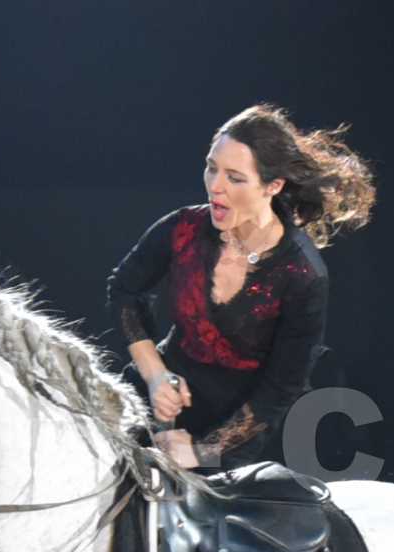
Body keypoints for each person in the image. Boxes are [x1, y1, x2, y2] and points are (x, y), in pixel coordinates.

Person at [106, 103, 377, 471]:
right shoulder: (182, 228)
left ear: (273, 186)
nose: (215, 186)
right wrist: (155, 376)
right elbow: (125, 291)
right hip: (154, 401)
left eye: (235, 178)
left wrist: (200, 451)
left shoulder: (302, 274)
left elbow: (280, 389)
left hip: (235, 430)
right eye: (211, 167)